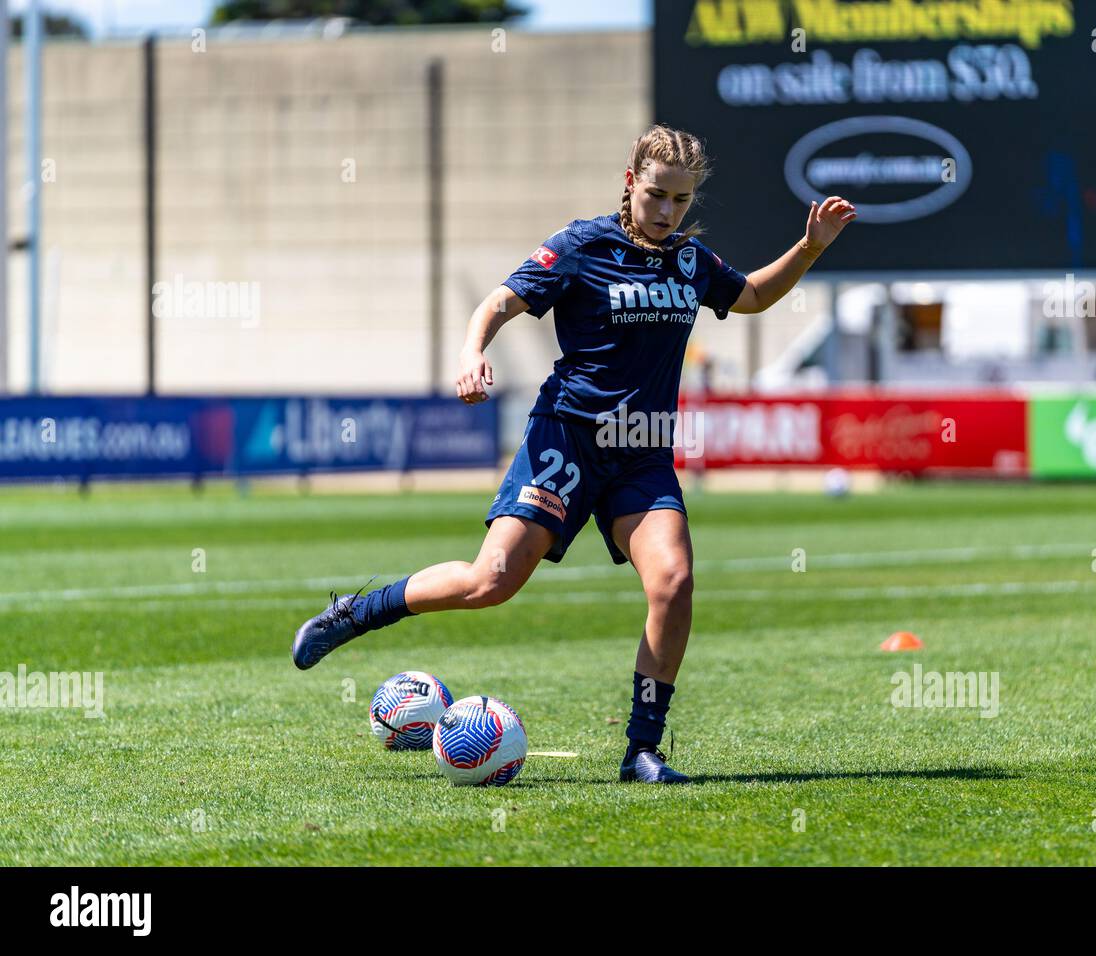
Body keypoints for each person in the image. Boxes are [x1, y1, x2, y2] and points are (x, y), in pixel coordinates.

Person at [291, 124, 856, 783]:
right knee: (490, 582)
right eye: (656, 195)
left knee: (673, 584)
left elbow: (752, 296)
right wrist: (473, 352)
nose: (667, 211)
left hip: (641, 454)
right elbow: (501, 300)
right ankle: (355, 613)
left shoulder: (691, 262)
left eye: (680, 199)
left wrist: (810, 249)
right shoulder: (584, 245)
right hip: (566, 439)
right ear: (629, 183)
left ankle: (642, 749)